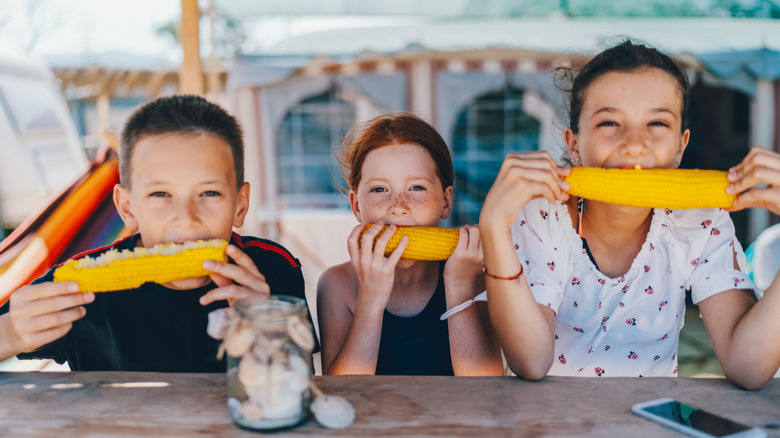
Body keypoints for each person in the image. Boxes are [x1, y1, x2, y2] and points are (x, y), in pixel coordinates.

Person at [479, 40, 780, 389]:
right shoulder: (542, 217)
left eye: (657, 123)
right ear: (575, 145)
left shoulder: (699, 221)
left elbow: (748, 365)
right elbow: (530, 362)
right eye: (609, 122)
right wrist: (494, 226)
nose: (634, 144)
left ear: (681, 146)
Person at [0, 95, 309, 372]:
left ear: (240, 205)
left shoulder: (272, 270)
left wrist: (270, 322)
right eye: (161, 194)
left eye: (210, 193)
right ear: (128, 208)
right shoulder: (76, 287)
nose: (186, 218)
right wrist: (10, 335)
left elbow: (303, 379)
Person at [317, 113, 503, 376]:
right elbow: (342, 394)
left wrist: (460, 288)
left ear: (446, 202)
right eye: (379, 190)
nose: (399, 208)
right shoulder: (338, 285)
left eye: (417, 188)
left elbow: (485, 387)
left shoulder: (473, 274)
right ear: (356, 206)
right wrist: (369, 300)